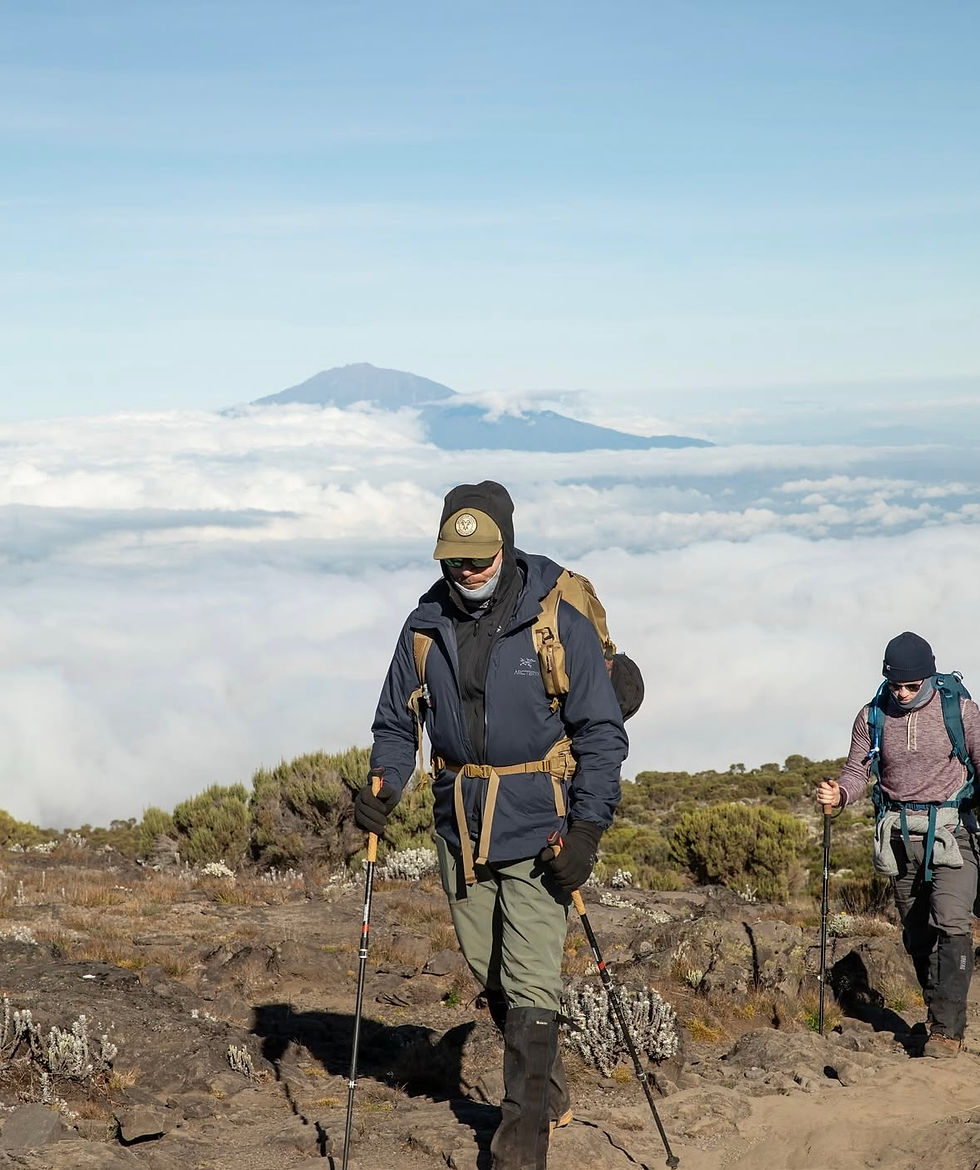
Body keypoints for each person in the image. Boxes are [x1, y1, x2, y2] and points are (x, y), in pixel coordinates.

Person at [356, 480, 628, 1169]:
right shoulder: (424, 627)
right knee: (495, 975)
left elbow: (600, 730)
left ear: (505, 547)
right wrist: (384, 786)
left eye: (478, 560)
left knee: (534, 981)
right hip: (460, 825)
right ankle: (552, 1095)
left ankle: (518, 1148)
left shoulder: (553, 616)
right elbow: (397, 722)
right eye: (454, 560)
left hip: (543, 824)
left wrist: (589, 831)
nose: (466, 572)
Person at [815, 631, 980, 1058]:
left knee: (951, 921)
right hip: (899, 839)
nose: (903, 693)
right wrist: (841, 794)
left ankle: (946, 1032)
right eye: (896, 685)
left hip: (952, 833)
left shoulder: (960, 711)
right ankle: (937, 1012)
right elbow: (857, 769)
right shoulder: (872, 714)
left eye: (911, 685)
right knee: (917, 934)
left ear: (928, 677)